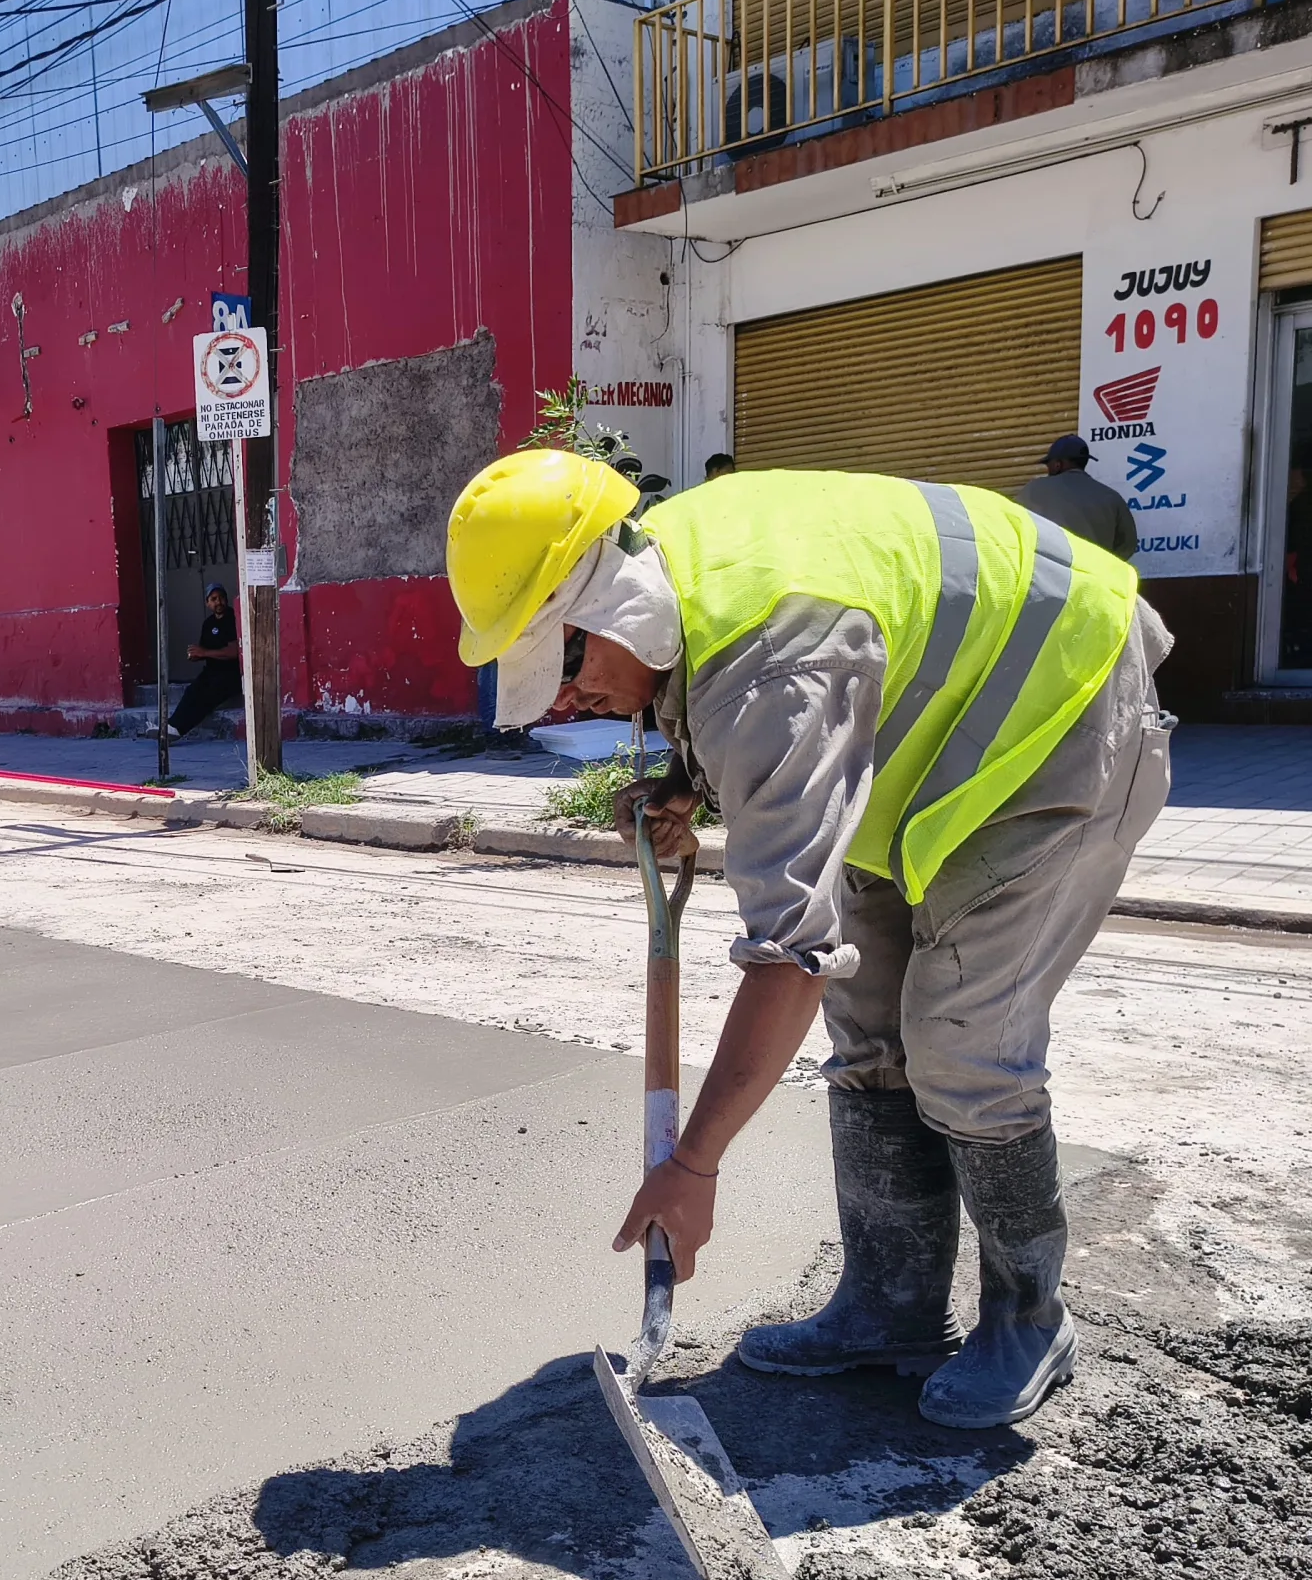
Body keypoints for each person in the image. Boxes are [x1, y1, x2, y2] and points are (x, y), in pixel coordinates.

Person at [445, 453, 1174, 1429]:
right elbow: (733, 692)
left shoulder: (773, 653)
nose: (564, 700)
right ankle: (890, 1308)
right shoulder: (676, 567)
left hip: (1062, 717)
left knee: (959, 1041)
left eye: (562, 664)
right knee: (867, 1021)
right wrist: (685, 786)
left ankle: (1028, 1319)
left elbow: (787, 949)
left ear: (607, 613)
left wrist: (691, 1164)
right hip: (926, 742)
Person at [1013, 435, 1138, 560]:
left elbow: (1011, 527)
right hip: (1095, 575)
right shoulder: (1112, 498)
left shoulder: (1034, 490)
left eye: (1048, 464)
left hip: (1049, 576)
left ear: (1058, 464)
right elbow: (1128, 546)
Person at [161, 584, 242, 740]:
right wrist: (196, 655)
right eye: (213, 599)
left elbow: (234, 652)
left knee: (207, 697)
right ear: (207, 603)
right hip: (211, 672)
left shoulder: (233, 618)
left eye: (221, 598)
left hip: (231, 674)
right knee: (192, 691)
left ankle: (178, 730)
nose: (218, 602)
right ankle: (170, 726)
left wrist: (204, 652)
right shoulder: (208, 623)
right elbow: (205, 650)